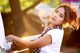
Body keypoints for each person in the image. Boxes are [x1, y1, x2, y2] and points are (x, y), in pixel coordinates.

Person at [6, 4, 79, 53]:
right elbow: (36, 40)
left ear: (64, 21)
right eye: (56, 11)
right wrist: (17, 41)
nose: (56, 15)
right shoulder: (52, 28)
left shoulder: (54, 33)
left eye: (61, 16)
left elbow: (31, 44)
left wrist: (13, 37)